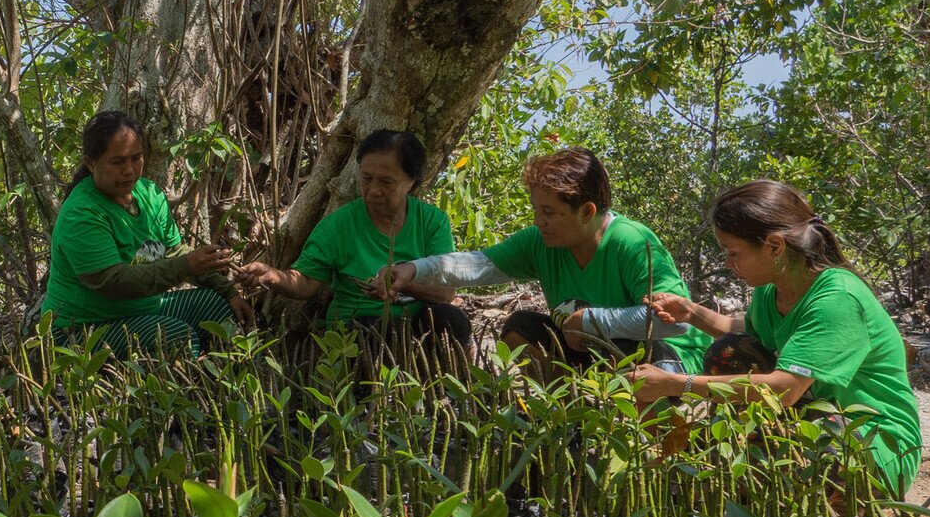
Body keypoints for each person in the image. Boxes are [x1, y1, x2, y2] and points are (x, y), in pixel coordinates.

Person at [628, 181, 921, 494]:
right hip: (817, 418)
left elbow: (784, 390)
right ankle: (753, 484)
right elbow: (744, 333)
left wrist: (675, 383)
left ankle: (797, 499)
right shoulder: (772, 292)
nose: (728, 264)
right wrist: (691, 312)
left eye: (733, 253)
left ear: (775, 246)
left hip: (871, 446)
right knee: (729, 352)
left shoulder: (838, 299)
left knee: (790, 422)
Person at [378, 148, 710, 373]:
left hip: (670, 361)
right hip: (591, 353)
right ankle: (567, 418)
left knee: (621, 347)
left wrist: (593, 321)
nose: (539, 221)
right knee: (521, 328)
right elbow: (479, 265)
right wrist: (414, 269)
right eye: (536, 210)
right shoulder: (542, 241)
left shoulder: (633, 242)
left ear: (587, 211)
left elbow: (675, 322)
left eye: (549, 212)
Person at [38, 111, 254, 358]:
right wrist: (186, 265)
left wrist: (228, 290)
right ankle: (186, 388)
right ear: (91, 163)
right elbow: (114, 282)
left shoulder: (150, 194)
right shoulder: (82, 213)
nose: (129, 171)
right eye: (118, 162)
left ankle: (234, 379)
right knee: (177, 337)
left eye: (136, 158)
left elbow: (173, 249)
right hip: (84, 330)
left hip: (143, 312)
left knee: (216, 305)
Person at [237, 129, 468, 349]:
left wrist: (402, 283)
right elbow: (306, 282)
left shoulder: (432, 222)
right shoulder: (338, 225)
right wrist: (273, 275)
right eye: (367, 178)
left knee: (452, 320)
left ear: (411, 182)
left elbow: (445, 293)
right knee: (371, 336)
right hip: (359, 327)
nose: (374, 190)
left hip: (415, 326)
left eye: (386, 182)